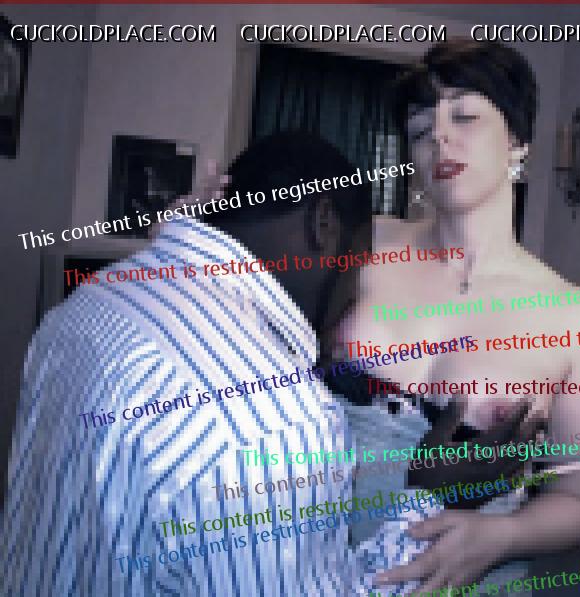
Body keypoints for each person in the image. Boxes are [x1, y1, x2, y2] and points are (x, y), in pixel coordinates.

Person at [0, 131, 428, 596]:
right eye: (358, 261)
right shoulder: (280, 425)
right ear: (323, 223)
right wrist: (424, 502)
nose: (353, 294)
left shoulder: (89, 302)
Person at [338, 40, 580, 593]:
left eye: (465, 116)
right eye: (420, 129)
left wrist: (501, 538)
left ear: (518, 140)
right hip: (322, 569)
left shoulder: (578, 317)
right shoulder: (361, 244)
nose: (440, 137)